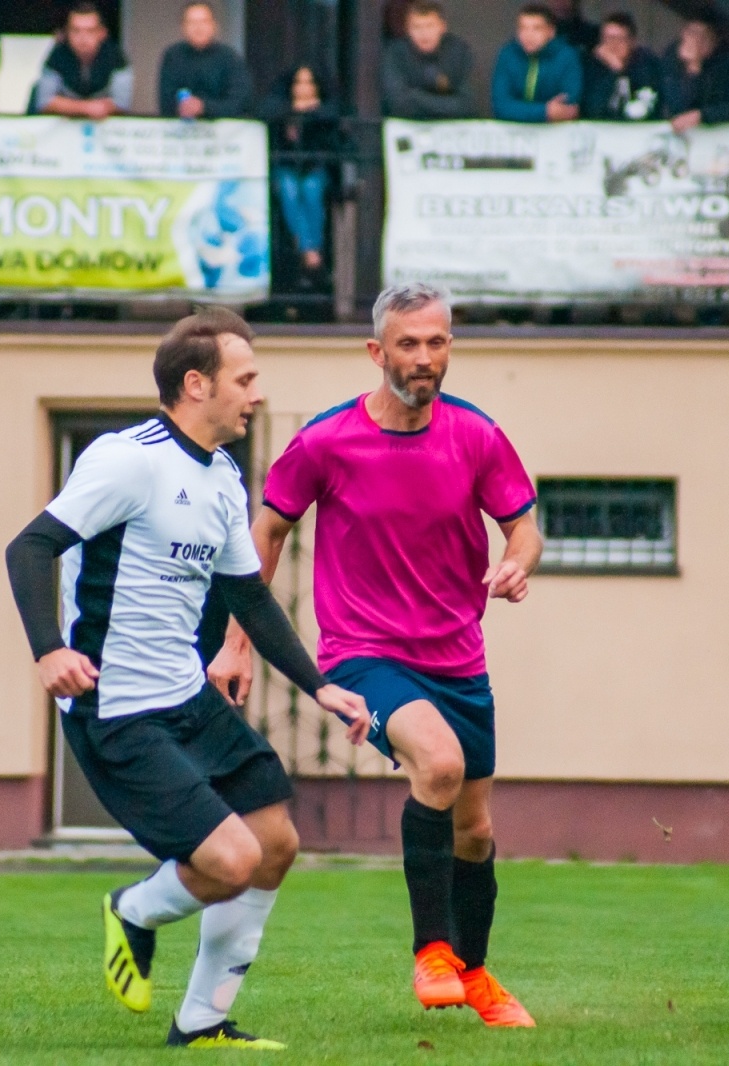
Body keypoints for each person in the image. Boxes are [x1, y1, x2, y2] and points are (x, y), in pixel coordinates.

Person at [5, 308, 368, 1050]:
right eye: (246, 379)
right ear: (196, 383)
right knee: (230, 860)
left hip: (187, 699)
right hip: (119, 711)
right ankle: (133, 911)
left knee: (275, 842)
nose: (256, 394)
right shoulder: (127, 459)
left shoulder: (224, 477)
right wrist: (48, 650)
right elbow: (29, 546)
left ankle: (202, 1023)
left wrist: (318, 685)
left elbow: (248, 597)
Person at [209, 283, 543, 1028]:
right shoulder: (326, 441)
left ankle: (477, 973)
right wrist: (239, 644)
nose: (424, 358)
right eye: (409, 344)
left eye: (437, 343)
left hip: (459, 657)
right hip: (364, 653)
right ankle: (430, 952)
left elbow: (524, 524)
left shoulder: (477, 435)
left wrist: (520, 561)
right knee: (441, 765)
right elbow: (264, 536)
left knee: (476, 829)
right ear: (377, 352)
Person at [261, 65, 342, 275]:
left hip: (314, 168)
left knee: (312, 190)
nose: (304, 88)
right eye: (299, 82)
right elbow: (266, 110)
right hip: (286, 167)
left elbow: (335, 115)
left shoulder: (325, 108)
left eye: (309, 82)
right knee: (289, 190)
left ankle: (307, 246)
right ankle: (310, 250)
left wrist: (312, 111)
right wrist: (295, 109)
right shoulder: (280, 105)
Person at [32, 3, 132, 118]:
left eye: (90, 31)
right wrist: (87, 108)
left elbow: (122, 103)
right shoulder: (57, 56)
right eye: (76, 30)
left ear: (102, 33)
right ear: (66, 33)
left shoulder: (116, 57)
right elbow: (44, 102)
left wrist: (63, 104)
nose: (82, 38)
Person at [381, 0, 475, 121]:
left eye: (430, 26)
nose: (424, 33)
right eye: (417, 27)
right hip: (408, 127)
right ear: (408, 30)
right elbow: (399, 103)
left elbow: (467, 104)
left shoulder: (459, 51)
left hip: (451, 127)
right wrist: (446, 103)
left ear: (442, 27)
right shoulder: (395, 54)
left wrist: (415, 97)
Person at [157, 2, 253, 120]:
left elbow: (240, 103)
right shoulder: (172, 57)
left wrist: (204, 107)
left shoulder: (230, 58)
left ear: (214, 25)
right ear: (183, 27)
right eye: (192, 22)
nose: (198, 28)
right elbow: (166, 102)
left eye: (204, 22)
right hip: (181, 129)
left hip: (223, 130)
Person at [490, 4, 580, 124]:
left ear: (551, 31)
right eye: (523, 28)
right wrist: (544, 111)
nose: (528, 35)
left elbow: (568, 108)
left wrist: (519, 110)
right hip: (513, 135)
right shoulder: (508, 54)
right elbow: (500, 106)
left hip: (556, 135)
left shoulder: (567, 56)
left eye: (536, 28)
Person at [659, 19, 729, 133]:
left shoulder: (727, 60)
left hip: (720, 132)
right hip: (682, 133)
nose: (696, 41)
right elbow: (675, 106)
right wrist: (692, 69)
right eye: (692, 33)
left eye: (703, 37)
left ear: (714, 40)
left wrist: (703, 115)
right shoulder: (672, 56)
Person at [581, 12, 660, 121]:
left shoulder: (647, 65)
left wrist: (622, 70)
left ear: (633, 42)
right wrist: (614, 71)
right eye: (608, 39)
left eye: (619, 39)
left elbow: (643, 110)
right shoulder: (592, 66)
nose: (613, 45)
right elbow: (593, 110)